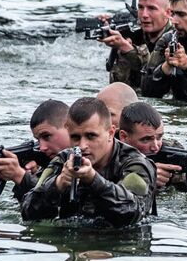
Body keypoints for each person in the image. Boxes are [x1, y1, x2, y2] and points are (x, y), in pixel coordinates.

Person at [21, 97, 157, 227]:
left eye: (91, 136)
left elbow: (132, 213)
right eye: (75, 137)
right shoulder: (64, 160)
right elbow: (27, 212)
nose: (82, 145)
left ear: (110, 133)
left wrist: (93, 180)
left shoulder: (136, 164)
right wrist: (58, 184)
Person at [118, 101, 187, 191]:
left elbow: (186, 186)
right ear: (124, 137)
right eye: (146, 139)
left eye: (159, 137)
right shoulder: (108, 156)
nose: (155, 147)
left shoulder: (170, 153)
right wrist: (146, 177)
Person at [0, 99, 70, 204]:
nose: (42, 147)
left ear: (69, 127)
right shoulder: (50, 162)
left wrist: (19, 176)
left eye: (47, 136)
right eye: (38, 140)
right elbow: (28, 209)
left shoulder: (87, 160)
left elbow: (62, 203)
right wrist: (29, 175)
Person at [100, 0, 173, 88]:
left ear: (168, 12)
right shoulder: (134, 34)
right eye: (141, 7)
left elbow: (156, 78)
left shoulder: (175, 38)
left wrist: (129, 51)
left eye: (152, 8)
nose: (144, 15)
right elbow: (117, 85)